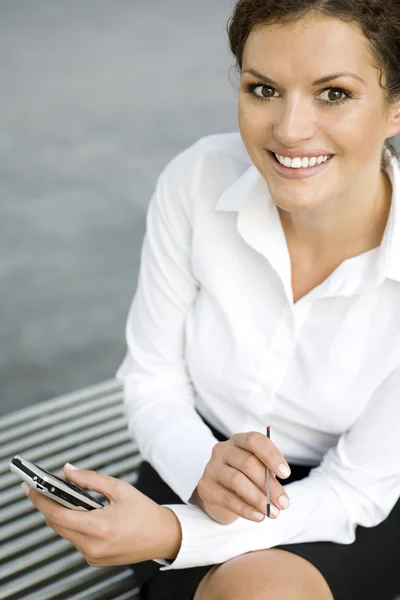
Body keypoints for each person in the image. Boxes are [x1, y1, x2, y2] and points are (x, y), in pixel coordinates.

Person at [23, 0, 400, 599]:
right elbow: (152, 377)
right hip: (190, 461)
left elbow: (357, 490)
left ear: (395, 107)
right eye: (263, 88)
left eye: (333, 94)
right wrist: (199, 471)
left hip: (347, 508)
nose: (290, 128)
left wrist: (173, 534)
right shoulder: (197, 180)